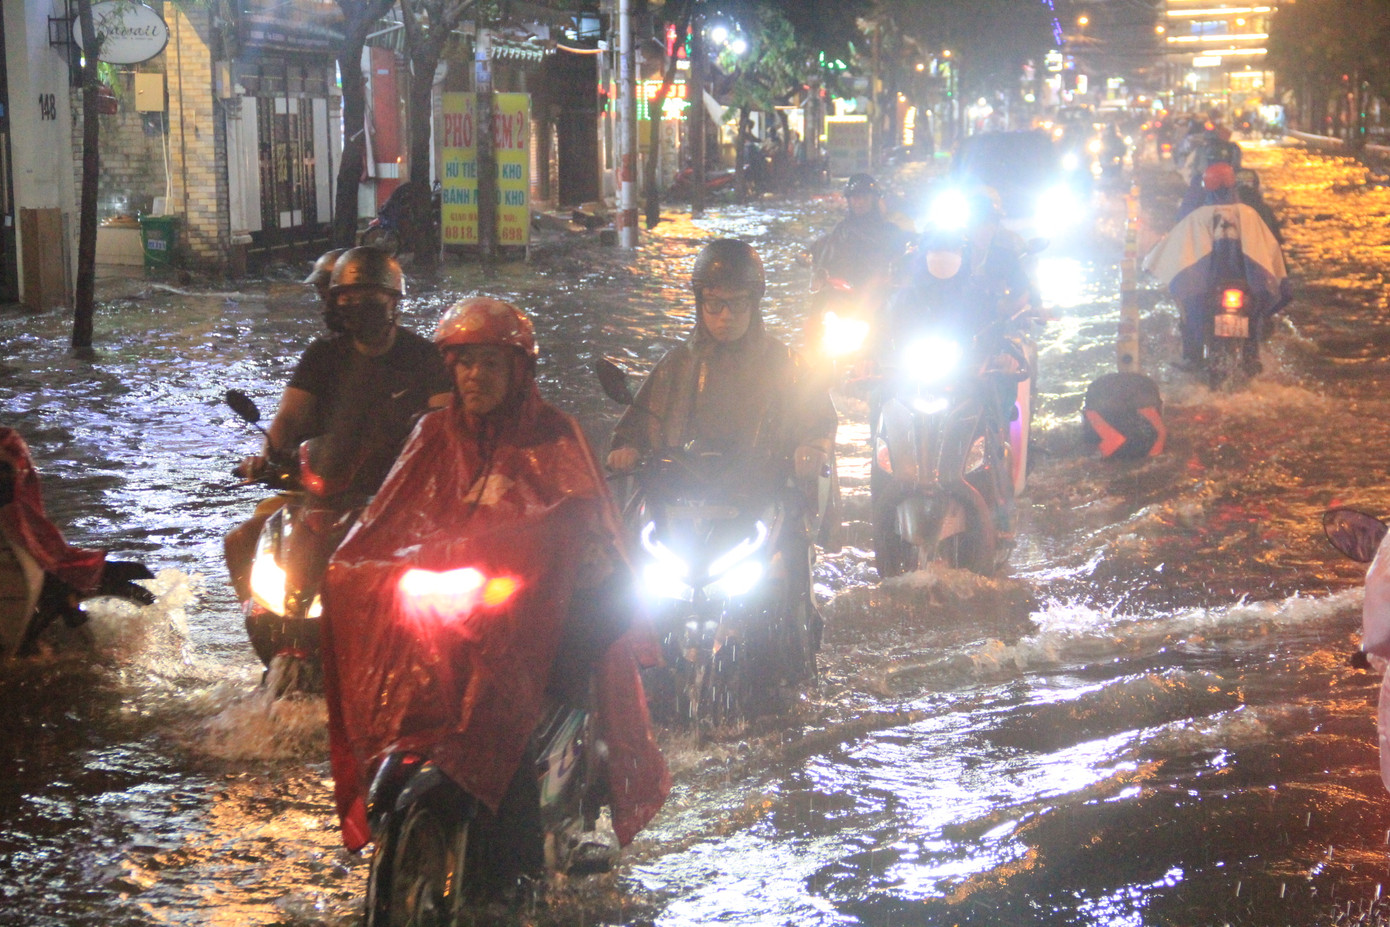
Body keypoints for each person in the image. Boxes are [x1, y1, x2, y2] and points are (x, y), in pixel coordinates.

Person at [319, 297, 669, 895]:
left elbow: (578, 516)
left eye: (490, 365)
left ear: (517, 372)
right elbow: (391, 517)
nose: (475, 377)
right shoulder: (432, 433)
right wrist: (353, 567)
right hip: (473, 608)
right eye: (464, 364)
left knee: (560, 666)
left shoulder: (555, 435)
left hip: (557, 605)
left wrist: (564, 556)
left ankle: (565, 822)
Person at [606, 239, 839, 640]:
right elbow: (639, 422)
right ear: (700, 304)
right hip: (682, 493)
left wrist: (812, 448)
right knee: (619, 561)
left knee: (791, 563)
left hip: (761, 489)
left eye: (737, 304)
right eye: (714, 304)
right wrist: (626, 450)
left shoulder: (787, 364)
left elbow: (818, 420)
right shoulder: (677, 363)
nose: (725, 316)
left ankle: (796, 654)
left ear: (755, 303)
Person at [223, 247, 451, 604]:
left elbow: (444, 425)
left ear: (393, 300)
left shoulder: (425, 357)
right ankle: (263, 626)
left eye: (368, 297)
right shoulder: (322, 355)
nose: (357, 305)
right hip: (322, 495)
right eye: (347, 297)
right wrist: (265, 459)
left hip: (396, 496)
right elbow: (289, 417)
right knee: (241, 541)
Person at [808, 174, 913, 292]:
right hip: (847, 294)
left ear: (874, 200)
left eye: (864, 197)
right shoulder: (842, 229)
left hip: (882, 293)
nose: (859, 202)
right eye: (854, 198)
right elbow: (825, 257)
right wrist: (819, 274)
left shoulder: (892, 229)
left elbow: (906, 257)